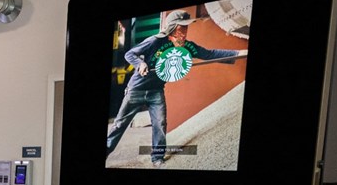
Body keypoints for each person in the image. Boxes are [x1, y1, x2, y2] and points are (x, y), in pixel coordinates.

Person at [106, 10, 248, 167]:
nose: (185, 31)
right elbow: (130, 54)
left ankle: (157, 158)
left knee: (160, 123)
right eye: (182, 27)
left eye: (186, 27)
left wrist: (239, 53)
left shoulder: (186, 46)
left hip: (156, 91)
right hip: (136, 90)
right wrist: (140, 63)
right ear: (172, 27)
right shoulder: (154, 41)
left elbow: (210, 54)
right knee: (119, 125)